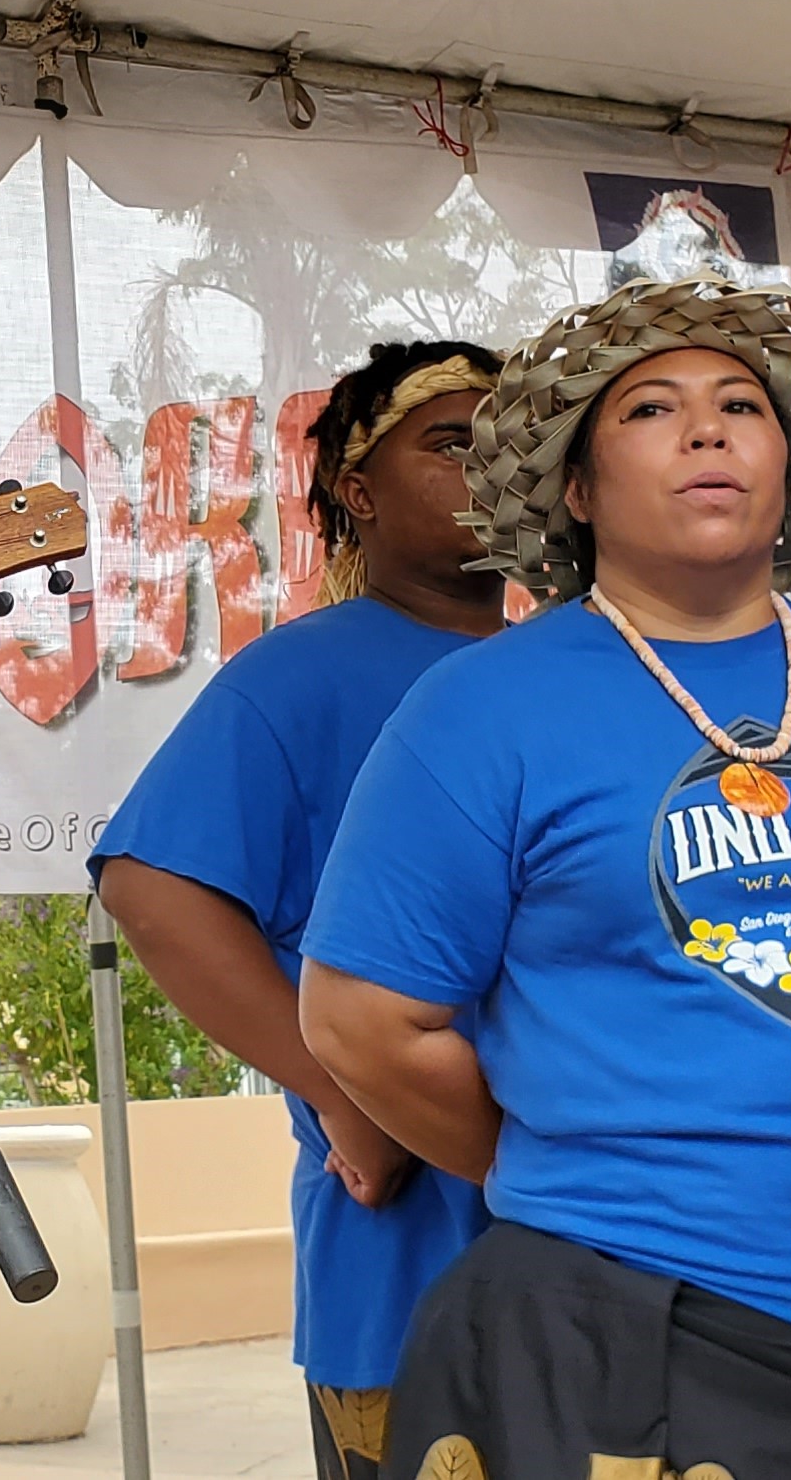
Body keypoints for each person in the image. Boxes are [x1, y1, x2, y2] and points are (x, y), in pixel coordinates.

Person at [302, 279, 791, 1476]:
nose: (708, 429)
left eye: (741, 407)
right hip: (622, 1326)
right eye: (652, 409)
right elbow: (361, 1018)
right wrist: (577, 1161)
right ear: (577, 489)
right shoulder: (485, 706)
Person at [92, 341, 502, 1480]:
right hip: (408, 1256)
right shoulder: (298, 675)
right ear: (357, 495)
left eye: (514, 439)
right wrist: (342, 1088)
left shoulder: (575, 668)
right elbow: (152, 885)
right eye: (450, 442)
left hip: (595, 1241)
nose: (490, 462)